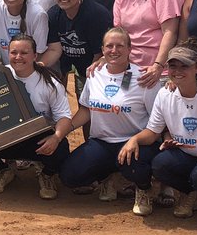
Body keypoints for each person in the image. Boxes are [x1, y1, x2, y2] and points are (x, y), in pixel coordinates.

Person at [60, 27, 160, 214]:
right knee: (70, 176)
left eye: (120, 46)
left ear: (130, 49)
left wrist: (136, 140)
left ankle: (144, 189)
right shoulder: (95, 73)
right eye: (109, 46)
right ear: (102, 49)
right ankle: (109, 177)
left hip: (135, 142)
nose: (114, 50)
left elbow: (157, 121)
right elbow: (86, 109)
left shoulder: (143, 78)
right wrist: (63, 131)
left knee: (132, 166)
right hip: (102, 141)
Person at [119, 40, 197, 218]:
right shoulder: (165, 93)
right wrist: (134, 139)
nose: (178, 71)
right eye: (173, 66)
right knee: (159, 164)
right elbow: (152, 132)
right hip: (185, 154)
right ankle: (189, 193)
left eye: (184, 66)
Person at [0, 34, 73, 200]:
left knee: (61, 147)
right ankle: (3, 170)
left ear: (35, 56)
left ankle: (47, 174)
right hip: (6, 138)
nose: (18, 57)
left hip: (36, 141)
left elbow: (64, 117)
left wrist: (56, 137)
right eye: (14, 52)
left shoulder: (50, 82)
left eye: (24, 53)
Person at [40, 0, 112, 97]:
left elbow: (99, 54)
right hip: (69, 70)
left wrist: (90, 83)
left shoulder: (96, 15)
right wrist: (38, 67)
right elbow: (55, 50)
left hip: (97, 70)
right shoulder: (53, 15)